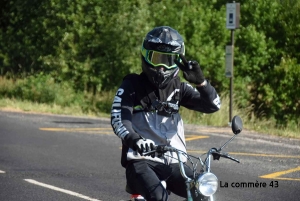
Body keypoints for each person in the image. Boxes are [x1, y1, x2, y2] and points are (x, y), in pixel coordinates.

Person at [111, 26, 221, 201]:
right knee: (158, 196)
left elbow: (213, 105)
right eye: (156, 59)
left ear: (177, 61)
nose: (161, 68)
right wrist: (135, 139)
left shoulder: (180, 88)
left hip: (175, 163)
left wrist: (201, 82)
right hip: (141, 161)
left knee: (203, 191)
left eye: (168, 60)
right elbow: (119, 119)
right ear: (145, 56)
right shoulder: (132, 85)